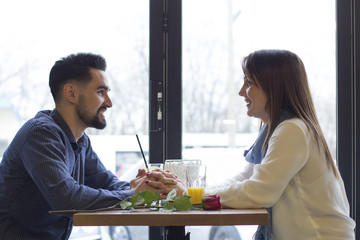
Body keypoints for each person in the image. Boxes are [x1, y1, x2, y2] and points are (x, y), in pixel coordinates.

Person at [0, 52, 184, 239]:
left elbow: (108, 183)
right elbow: (66, 199)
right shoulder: (40, 134)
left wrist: (150, 185)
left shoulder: (80, 140)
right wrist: (134, 195)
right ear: (71, 93)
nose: (109, 103)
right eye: (100, 92)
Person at [207, 50, 355, 239]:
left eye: (249, 83)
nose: (241, 91)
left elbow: (259, 192)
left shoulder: (292, 129)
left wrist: (199, 197)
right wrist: (198, 194)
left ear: (273, 87)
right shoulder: (279, 129)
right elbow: (248, 176)